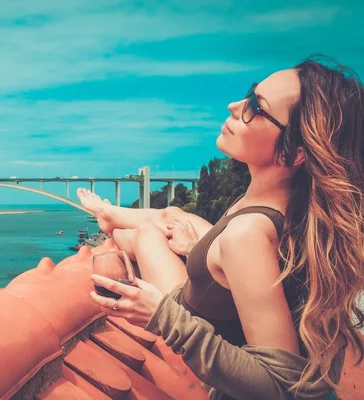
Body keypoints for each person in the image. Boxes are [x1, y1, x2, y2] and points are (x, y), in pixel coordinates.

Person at [79, 56, 364, 399]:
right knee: (173, 215)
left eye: (256, 107)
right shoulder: (292, 209)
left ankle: (110, 219)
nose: (234, 105)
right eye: (250, 93)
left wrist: (163, 316)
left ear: (294, 154)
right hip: (205, 288)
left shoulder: (248, 234)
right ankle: (111, 216)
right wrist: (203, 250)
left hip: (185, 307)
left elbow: (281, 389)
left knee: (145, 234)